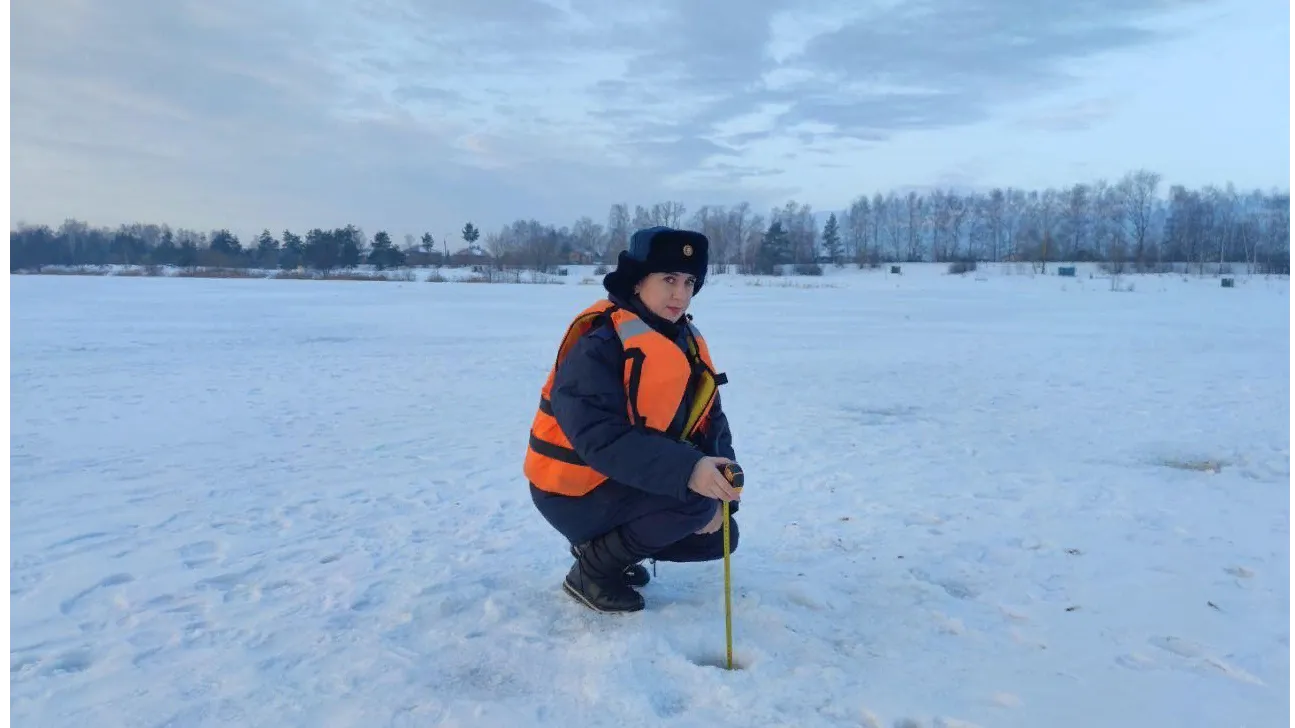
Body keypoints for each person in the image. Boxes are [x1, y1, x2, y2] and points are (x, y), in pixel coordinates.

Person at [523, 226, 743, 613]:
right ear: (638, 281)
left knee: (720, 533)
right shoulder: (600, 343)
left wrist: (722, 487)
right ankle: (592, 571)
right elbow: (600, 438)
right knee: (692, 503)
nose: (681, 294)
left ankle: (606, 551)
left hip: (619, 482)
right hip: (570, 491)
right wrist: (689, 471)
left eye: (689, 282)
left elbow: (711, 419)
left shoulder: (684, 340)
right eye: (669, 279)